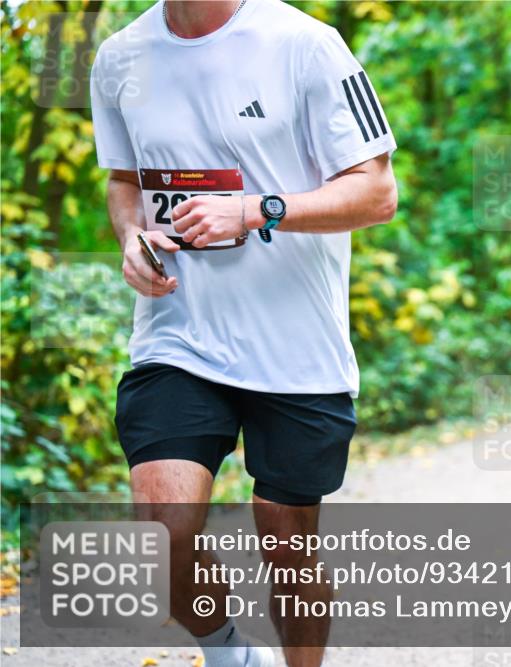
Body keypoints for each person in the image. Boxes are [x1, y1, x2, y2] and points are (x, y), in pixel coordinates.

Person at [90, 1, 398, 666]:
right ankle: (230, 655)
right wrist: (131, 236)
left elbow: (377, 192)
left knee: (288, 547)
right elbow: (124, 180)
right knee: (162, 533)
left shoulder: (308, 46)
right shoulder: (119, 57)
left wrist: (259, 210)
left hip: (298, 353)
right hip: (179, 337)